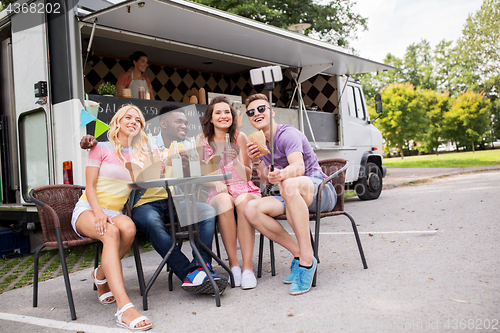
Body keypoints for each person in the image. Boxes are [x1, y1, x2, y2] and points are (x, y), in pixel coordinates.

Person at [80, 104, 227, 295]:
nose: (185, 126)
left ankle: (201, 266)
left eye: (186, 122)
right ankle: (189, 274)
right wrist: (88, 141)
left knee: (206, 211)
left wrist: (189, 167)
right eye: (179, 122)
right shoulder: (142, 143)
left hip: (173, 200)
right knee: (151, 222)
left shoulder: (186, 146)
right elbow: (114, 150)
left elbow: (197, 174)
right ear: (164, 124)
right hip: (144, 203)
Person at [243, 93, 336, 295]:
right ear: (249, 119)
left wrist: (282, 175)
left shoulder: (287, 134)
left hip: (319, 190)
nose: (256, 113)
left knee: (288, 184)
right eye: (251, 112)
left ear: (272, 112)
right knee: (250, 209)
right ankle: (298, 253)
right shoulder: (260, 143)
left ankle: (307, 261)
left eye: (261, 109)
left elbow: (298, 167)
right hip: (291, 195)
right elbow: (266, 179)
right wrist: (256, 160)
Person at [72, 104, 152, 330]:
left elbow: (143, 183)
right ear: (117, 122)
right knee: (111, 232)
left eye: (138, 120)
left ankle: (100, 273)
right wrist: (98, 213)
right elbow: (89, 186)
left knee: (129, 229)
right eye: (128, 117)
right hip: (88, 207)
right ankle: (124, 308)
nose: (134, 122)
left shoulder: (140, 155)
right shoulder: (99, 148)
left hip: (115, 211)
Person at [196, 96, 261, 290]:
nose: (223, 116)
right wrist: (215, 180)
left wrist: (236, 162)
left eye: (227, 112)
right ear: (211, 118)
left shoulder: (239, 137)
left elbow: (248, 175)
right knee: (224, 200)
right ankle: (234, 265)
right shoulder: (202, 139)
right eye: (218, 112)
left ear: (232, 116)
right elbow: (199, 172)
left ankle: (248, 267)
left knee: (242, 201)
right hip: (217, 191)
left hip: (242, 187)